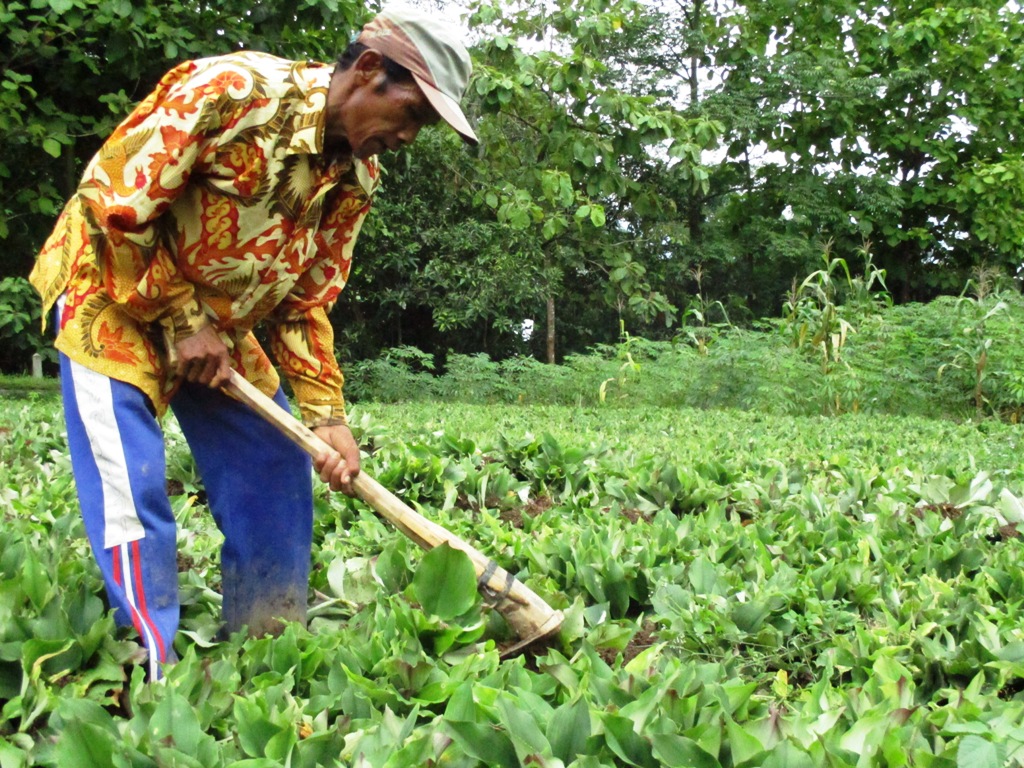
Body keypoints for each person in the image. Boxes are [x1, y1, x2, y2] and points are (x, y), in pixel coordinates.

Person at [29, 5, 478, 680]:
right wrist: (182, 321)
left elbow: (306, 302)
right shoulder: (233, 94)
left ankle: (268, 653)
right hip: (111, 293)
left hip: (220, 327)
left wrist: (328, 419)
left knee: (275, 459)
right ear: (365, 73)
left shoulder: (355, 181)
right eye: (412, 113)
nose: (410, 135)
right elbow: (108, 204)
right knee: (133, 483)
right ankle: (151, 675)